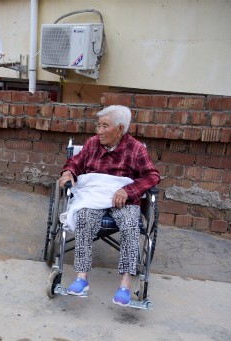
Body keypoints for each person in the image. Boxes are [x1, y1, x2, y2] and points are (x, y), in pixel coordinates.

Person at [59, 105, 160, 306]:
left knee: (131, 224)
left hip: (122, 198)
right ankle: (82, 278)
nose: (99, 131)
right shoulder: (92, 144)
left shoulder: (136, 149)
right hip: (94, 194)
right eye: (98, 125)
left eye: (105, 126)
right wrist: (68, 172)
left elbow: (153, 176)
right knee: (84, 218)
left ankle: (125, 284)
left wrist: (129, 191)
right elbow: (75, 163)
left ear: (120, 129)